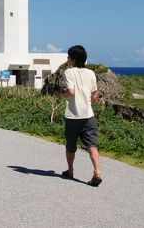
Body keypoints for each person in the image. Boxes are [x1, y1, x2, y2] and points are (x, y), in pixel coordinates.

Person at [56, 45, 102, 187]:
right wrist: (89, 103)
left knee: (71, 145)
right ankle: (97, 171)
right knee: (92, 144)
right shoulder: (91, 73)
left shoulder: (69, 72)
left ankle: (70, 171)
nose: (67, 59)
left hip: (73, 115)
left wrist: (61, 94)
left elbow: (71, 92)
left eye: (69, 57)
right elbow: (94, 96)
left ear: (74, 59)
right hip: (88, 114)